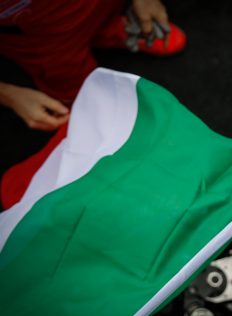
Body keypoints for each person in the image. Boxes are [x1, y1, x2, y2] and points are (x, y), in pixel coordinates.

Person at [0, 0, 186, 209]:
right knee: (75, 90)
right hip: (41, 40)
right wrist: (8, 94)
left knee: (99, 15)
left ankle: (107, 30)